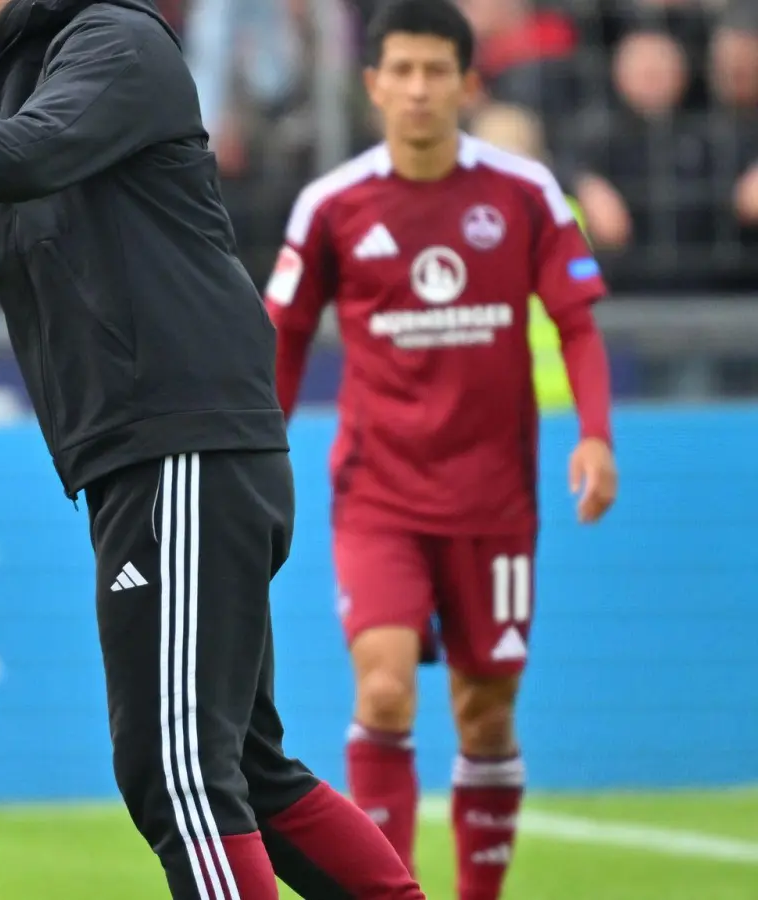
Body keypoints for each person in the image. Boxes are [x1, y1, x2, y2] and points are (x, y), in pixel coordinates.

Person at [0, 0, 424, 897]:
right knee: (246, 771)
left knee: (177, 767)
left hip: (179, 437)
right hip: (149, 450)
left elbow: (24, 155)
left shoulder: (115, 38)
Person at [266, 3, 620, 899]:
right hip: (378, 491)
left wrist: (596, 436)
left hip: (495, 499)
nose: (419, 89)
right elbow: (284, 337)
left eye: (436, 72)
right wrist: (258, 456)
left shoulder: (525, 193)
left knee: (485, 716)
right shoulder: (332, 205)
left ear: (467, 82)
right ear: (373, 82)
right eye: (402, 72)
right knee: (383, 692)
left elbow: (576, 323)